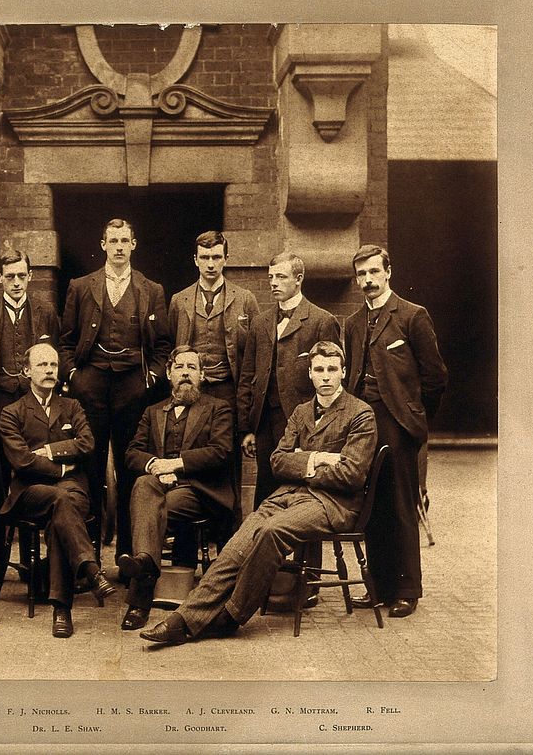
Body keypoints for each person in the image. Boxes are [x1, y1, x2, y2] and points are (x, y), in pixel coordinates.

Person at [139, 341, 377, 646]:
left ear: (343, 372)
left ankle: (231, 616)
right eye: (319, 370)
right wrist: (319, 458)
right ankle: (185, 617)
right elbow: (277, 461)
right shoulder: (301, 412)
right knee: (243, 535)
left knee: (269, 531)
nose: (326, 377)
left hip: (333, 503)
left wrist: (301, 458)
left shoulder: (361, 414)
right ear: (310, 373)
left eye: (332, 370)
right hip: (288, 495)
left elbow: (352, 474)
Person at [344, 244, 447, 619]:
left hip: (398, 424)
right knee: (372, 506)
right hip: (362, 426)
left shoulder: (412, 316)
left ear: (388, 272)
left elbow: (435, 377)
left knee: (402, 506)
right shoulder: (353, 323)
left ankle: (407, 589)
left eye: (374, 272)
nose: (368, 280)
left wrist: (414, 419)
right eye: (361, 274)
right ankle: (379, 587)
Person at [60, 217, 171, 558]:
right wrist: (76, 376)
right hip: (91, 383)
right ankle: (88, 554)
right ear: (103, 245)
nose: (120, 247)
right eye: (114, 241)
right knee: (89, 466)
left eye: (125, 241)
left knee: (130, 466)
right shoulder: (80, 286)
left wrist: (149, 379)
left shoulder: (151, 290)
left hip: (132, 386)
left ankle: (127, 553)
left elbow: (163, 345)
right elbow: (66, 342)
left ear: (133, 245)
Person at [0, 343, 116, 637]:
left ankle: (62, 608)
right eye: (42, 365)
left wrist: (49, 450)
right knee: (61, 502)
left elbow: (88, 444)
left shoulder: (72, 406)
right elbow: (23, 462)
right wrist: (64, 467)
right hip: (30, 492)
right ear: (26, 371)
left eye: (53, 365)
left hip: (71, 490)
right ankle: (89, 568)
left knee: (60, 514)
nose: (50, 370)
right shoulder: (11, 413)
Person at [119, 346, 235, 631]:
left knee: (148, 507)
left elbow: (221, 452)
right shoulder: (152, 411)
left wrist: (177, 465)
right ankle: (146, 564)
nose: (186, 373)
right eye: (180, 367)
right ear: (169, 374)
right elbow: (132, 453)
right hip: (160, 487)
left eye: (192, 368)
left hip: (200, 491)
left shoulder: (218, 408)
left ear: (202, 375)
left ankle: (140, 596)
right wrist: (157, 465)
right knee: (143, 484)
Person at [168, 230, 258, 527]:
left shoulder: (245, 300)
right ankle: (190, 538)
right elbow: (173, 349)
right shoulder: (180, 300)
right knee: (191, 457)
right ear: (195, 260)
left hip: (228, 392)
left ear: (226, 259)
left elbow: (254, 354)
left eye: (216, 257)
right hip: (191, 392)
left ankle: (229, 539)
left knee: (227, 464)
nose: (210, 264)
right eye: (204, 257)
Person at [237, 252, 341, 509]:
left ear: (299, 279)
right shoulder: (260, 323)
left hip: (304, 424)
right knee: (266, 490)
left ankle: (305, 549)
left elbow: (334, 380)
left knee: (302, 493)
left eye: (281, 277)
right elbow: (248, 376)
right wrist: (248, 428)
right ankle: (266, 547)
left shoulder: (321, 321)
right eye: (271, 277)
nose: (273, 282)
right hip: (264, 424)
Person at [0, 250, 60, 512]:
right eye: (10, 276)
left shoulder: (46, 313)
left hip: (32, 403)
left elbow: (54, 355)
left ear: (30, 276)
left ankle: (30, 542)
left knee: (34, 471)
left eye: (22, 275)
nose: (17, 282)